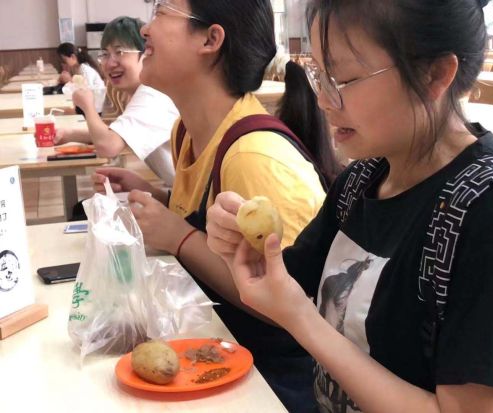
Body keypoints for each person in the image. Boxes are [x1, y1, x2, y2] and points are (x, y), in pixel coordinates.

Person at [206, 0, 493, 412]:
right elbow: (288, 285)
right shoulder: (361, 182)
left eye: (344, 78)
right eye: (320, 75)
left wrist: (302, 318)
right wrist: (243, 248)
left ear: (435, 74)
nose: (324, 100)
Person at [91, 1, 340, 411]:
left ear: (210, 39)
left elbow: (297, 310)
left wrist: (178, 236)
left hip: (275, 386)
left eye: (161, 12)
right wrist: (158, 199)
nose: (146, 30)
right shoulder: (186, 132)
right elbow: (215, 230)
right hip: (217, 361)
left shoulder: (253, 157)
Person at [56, 17, 179, 185]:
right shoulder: (139, 92)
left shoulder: (152, 95)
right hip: (180, 193)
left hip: (197, 198)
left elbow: (108, 146)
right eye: (105, 54)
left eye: (119, 52)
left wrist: (87, 107)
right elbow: (115, 134)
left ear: (147, 53)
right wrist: (68, 135)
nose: (110, 63)